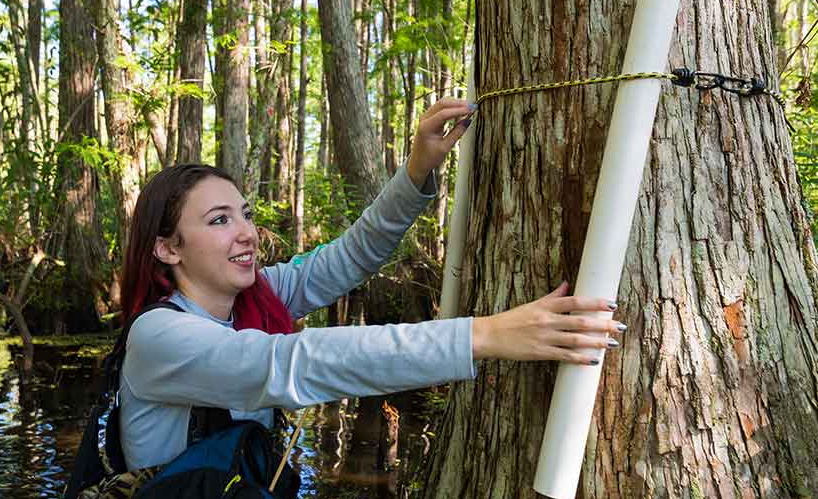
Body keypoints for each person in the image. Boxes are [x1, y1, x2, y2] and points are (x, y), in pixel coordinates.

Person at [116, 98, 625, 473]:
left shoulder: (259, 294)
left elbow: (352, 255)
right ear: (168, 248)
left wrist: (417, 169)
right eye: (220, 220)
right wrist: (483, 335)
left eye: (244, 215)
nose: (247, 232)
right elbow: (292, 362)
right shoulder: (160, 337)